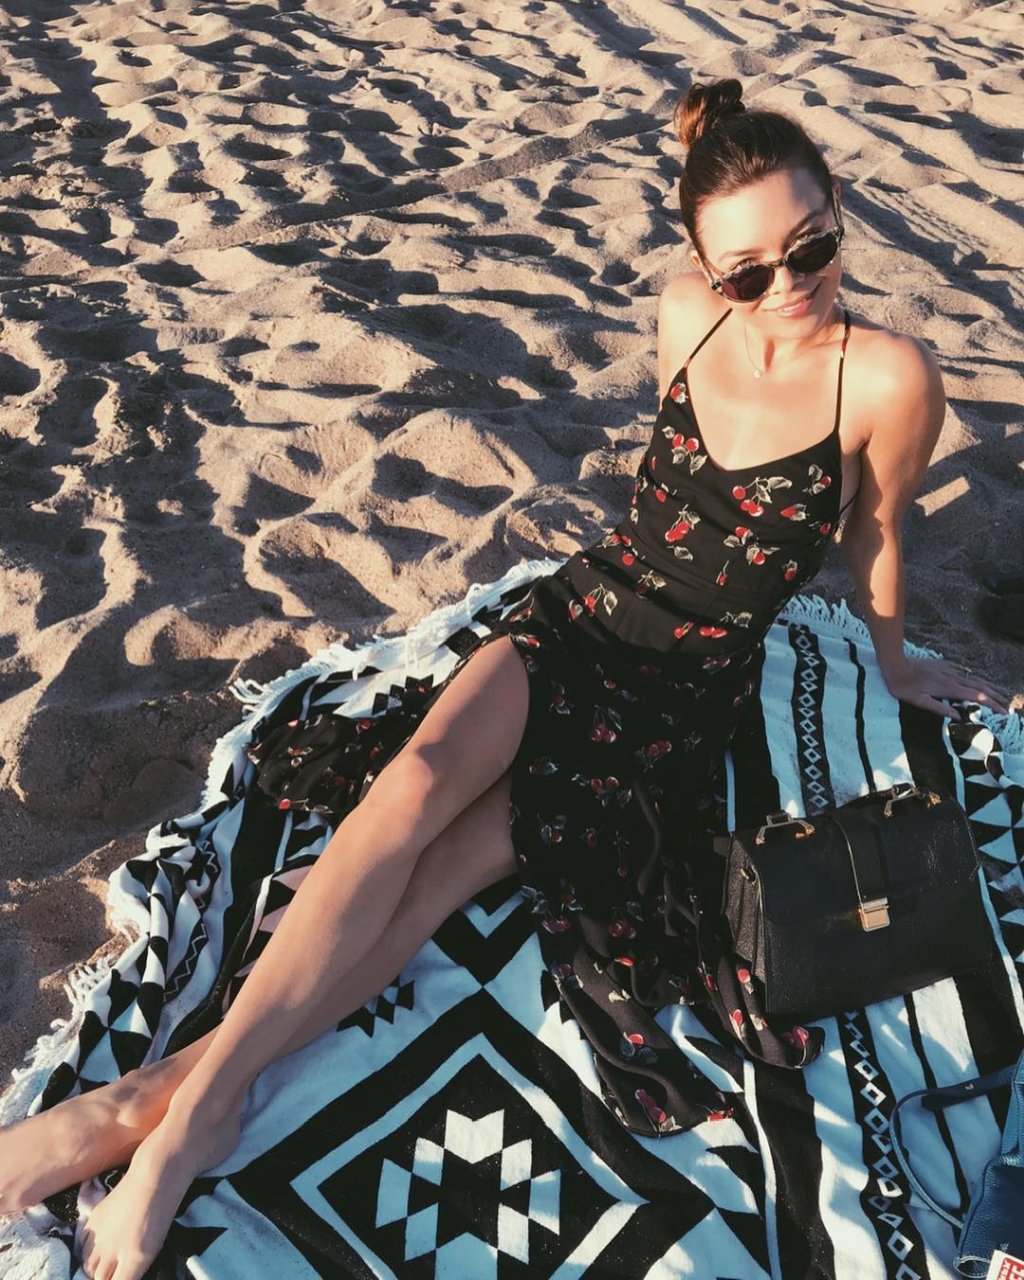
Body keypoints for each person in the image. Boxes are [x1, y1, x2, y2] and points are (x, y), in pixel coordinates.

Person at [0, 76, 1015, 1280]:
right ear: (705, 268)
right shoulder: (681, 310)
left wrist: (892, 659)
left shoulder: (888, 376)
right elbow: (662, 508)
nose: (788, 286)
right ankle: (168, 1118)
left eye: (812, 248)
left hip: (678, 692)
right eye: (749, 272)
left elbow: (878, 532)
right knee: (413, 781)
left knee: (443, 876)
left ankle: (162, 1103)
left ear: (838, 210)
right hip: (585, 612)